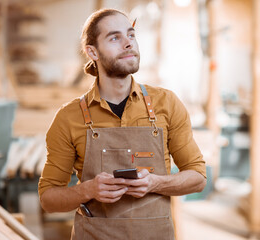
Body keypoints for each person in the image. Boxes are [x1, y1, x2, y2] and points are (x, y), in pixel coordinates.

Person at [38, 8, 206, 240]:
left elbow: (197, 177)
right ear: (92, 52)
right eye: (115, 37)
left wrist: (155, 183)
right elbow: (48, 198)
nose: (128, 43)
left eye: (131, 35)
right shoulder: (69, 118)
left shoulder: (166, 104)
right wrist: (87, 190)